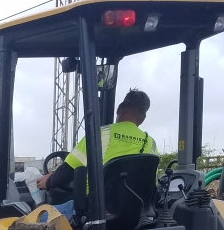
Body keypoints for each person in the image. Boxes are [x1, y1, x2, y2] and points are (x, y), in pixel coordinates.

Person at [37, 88, 157, 218]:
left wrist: (47, 182)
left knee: (38, 218)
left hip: (97, 211)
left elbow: (68, 170)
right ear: (143, 118)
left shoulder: (99, 134)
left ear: (119, 109)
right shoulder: (151, 143)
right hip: (135, 214)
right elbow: (150, 184)